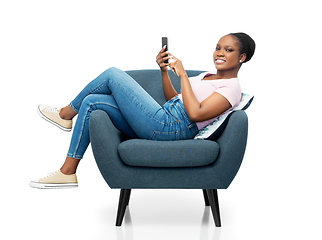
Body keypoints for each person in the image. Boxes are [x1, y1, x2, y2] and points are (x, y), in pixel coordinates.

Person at [29, 32, 255, 189]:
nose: (219, 53)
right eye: (217, 48)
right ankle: (68, 172)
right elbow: (173, 98)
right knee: (93, 102)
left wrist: (183, 75)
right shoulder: (207, 75)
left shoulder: (232, 87)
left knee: (112, 73)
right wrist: (164, 71)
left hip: (172, 128)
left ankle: (65, 114)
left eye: (228, 49)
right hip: (165, 117)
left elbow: (195, 114)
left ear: (241, 57)